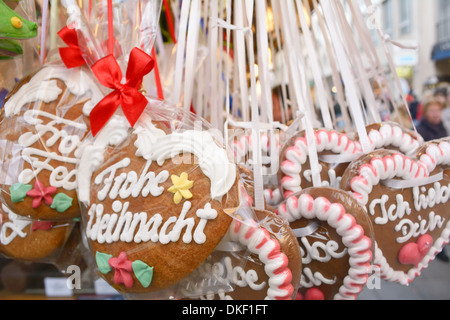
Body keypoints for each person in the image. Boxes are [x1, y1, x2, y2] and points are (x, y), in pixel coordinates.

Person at [416, 95, 449, 263]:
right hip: (429, 180)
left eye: (438, 110)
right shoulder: (421, 130)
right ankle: (436, 247)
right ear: (426, 112)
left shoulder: (443, 127)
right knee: (434, 215)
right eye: (432, 110)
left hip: (444, 179)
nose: (436, 114)